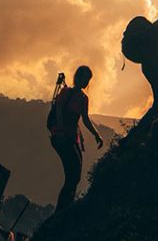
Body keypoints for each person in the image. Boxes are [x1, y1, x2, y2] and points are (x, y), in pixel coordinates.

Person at [50, 66, 103, 212]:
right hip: (61, 136)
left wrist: (96, 134)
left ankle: (65, 207)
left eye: (88, 79)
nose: (85, 81)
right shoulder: (67, 92)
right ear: (77, 77)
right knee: (72, 174)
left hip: (72, 138)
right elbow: (59, 110)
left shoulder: (84, 98)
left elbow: (85, 119)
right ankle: (62, 210)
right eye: (84, 78)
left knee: (75, 175)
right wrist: (60, 131)